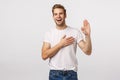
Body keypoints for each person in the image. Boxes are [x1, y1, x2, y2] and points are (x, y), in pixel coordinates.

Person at [41, 4, 92, 80]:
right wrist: (60, 45)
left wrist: (87, 35)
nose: (58, 16)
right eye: (55, 14)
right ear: (53, 17)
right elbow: (44, 55)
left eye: (61, 13)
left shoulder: (75, 32)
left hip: (71, 74)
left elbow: (87, 51)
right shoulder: (49, 33)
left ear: (65, 15)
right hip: (55, 74)